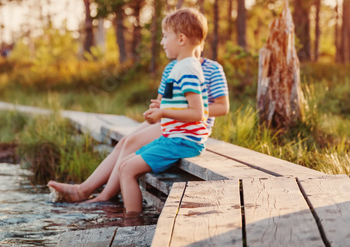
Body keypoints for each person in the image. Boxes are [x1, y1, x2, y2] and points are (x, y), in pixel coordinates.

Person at [46, 43, 229, 203]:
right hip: (168, 120)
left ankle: (104, 197)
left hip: (187, 127)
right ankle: (83, 189)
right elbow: (163, 101)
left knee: (132, 143)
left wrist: (180, 110)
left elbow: (222, 107)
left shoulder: (212, 69)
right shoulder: (172, 67)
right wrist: (159, 108)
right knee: (125, 141)